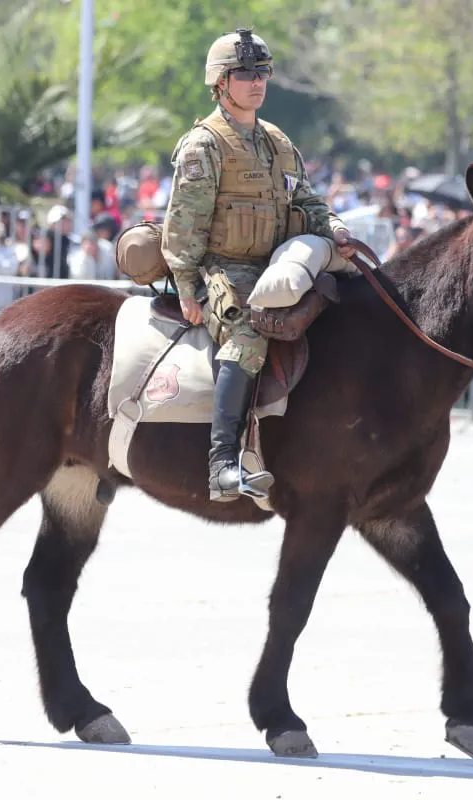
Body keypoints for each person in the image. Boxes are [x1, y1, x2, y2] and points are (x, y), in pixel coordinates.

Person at [161, 27, 355, 503]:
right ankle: (223, 463)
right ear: (221, 82)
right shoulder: (204, 145)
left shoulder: (276, 140)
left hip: (278, 264)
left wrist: (334, 229)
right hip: (222, 272)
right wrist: (187, 287)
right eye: (245, 73)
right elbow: (184, 224)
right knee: (249, 333)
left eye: (262, 71)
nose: (257, 81)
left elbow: (306, 200)